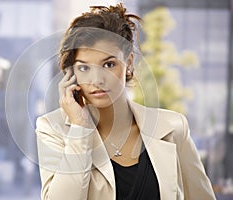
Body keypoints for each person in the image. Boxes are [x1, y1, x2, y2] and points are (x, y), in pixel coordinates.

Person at [35, 3, 216, 200]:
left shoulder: (172, 128)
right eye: (84, 68)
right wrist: (80, 129)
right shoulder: (52, 129)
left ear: (129, 62)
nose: (97, 79)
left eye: (109, 64)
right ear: (71, 74)